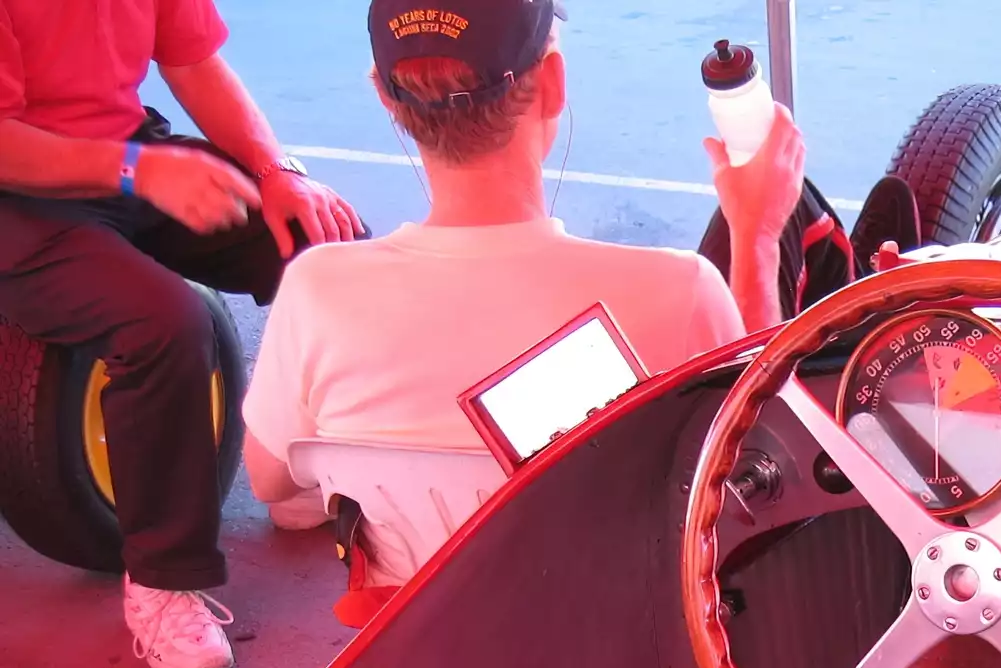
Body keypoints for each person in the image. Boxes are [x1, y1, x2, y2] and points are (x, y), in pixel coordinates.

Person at [242, 0, 805, 616]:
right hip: (623, 647)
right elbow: (769, 471)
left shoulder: (317, 289)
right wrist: (756, 237)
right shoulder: (679, 290)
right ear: (553, 84)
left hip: (415, 656)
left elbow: (271, 481)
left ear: (385, 97)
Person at [0, 0, 362, 668]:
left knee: (325, 246)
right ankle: (162, 584)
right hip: (18, 191)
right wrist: (138, 169)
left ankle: (297, 469)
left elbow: (194, 61)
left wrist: (275, 172)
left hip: (121, 152)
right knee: (164, 323)